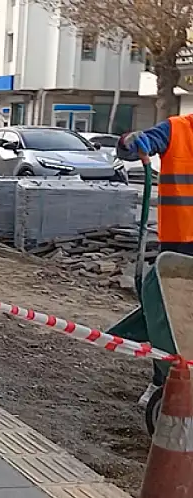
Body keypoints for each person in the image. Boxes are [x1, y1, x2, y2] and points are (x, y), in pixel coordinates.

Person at [117, 115, 193, 406]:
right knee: (167, 319)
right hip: (179, 243)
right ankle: (161, 381)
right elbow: (130, 147)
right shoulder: (177, 129)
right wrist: (132, 141)